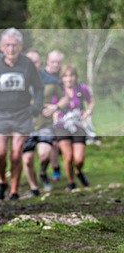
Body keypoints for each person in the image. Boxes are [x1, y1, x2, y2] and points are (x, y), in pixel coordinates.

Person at [0, 28, 43, 201]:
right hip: (0, 113)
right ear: (1, 46)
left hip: (22, 113)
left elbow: (38, 87)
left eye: (14, 45)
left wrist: (36, 106)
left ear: (20, 46)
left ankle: (14, 190)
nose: (11, 49)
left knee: (16, 153)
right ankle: (2, 181)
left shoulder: (27, 64)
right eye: (7, 45)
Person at [21, 50, 62, 196]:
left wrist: (55, 107)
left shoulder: (51, 80)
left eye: (35, 62)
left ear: (40, 63)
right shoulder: (18, 79)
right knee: (27, 159)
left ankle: (43, 172)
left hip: (44, 123)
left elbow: (64, 97)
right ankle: (33, 188)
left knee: (44, 154)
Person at [54, 64, 94, 191]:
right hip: (62, 126)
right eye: (65, 76)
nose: (69, 79)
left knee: (79, 158)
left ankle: (78, 171)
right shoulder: (58, 90)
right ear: (62, 78)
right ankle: (71, 182)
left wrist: (88, 112)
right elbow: (54, 106)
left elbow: (91, 101)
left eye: (71, 76)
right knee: (68, 157)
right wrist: (54, 116)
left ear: (75, 77)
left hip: (78, 126)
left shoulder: (81, 88)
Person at [43, 50, 65, 181]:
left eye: (58, 62)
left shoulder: (63, 76)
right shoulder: (41, 76)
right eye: (53, 62)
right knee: (53, 144)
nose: (56, 65)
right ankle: (54, 168)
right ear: (47, 61)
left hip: (62, 112)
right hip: (44, 115)